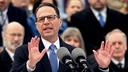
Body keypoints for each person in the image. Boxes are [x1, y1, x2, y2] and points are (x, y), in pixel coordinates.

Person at [11, 3, 114, 72]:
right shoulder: (24, 52)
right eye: (42, 19)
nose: (46, 22)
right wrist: (30, 65)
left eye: (51, 17)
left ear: (60, 22)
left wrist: (103, 68)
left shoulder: (74, 53)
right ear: (36, 25)